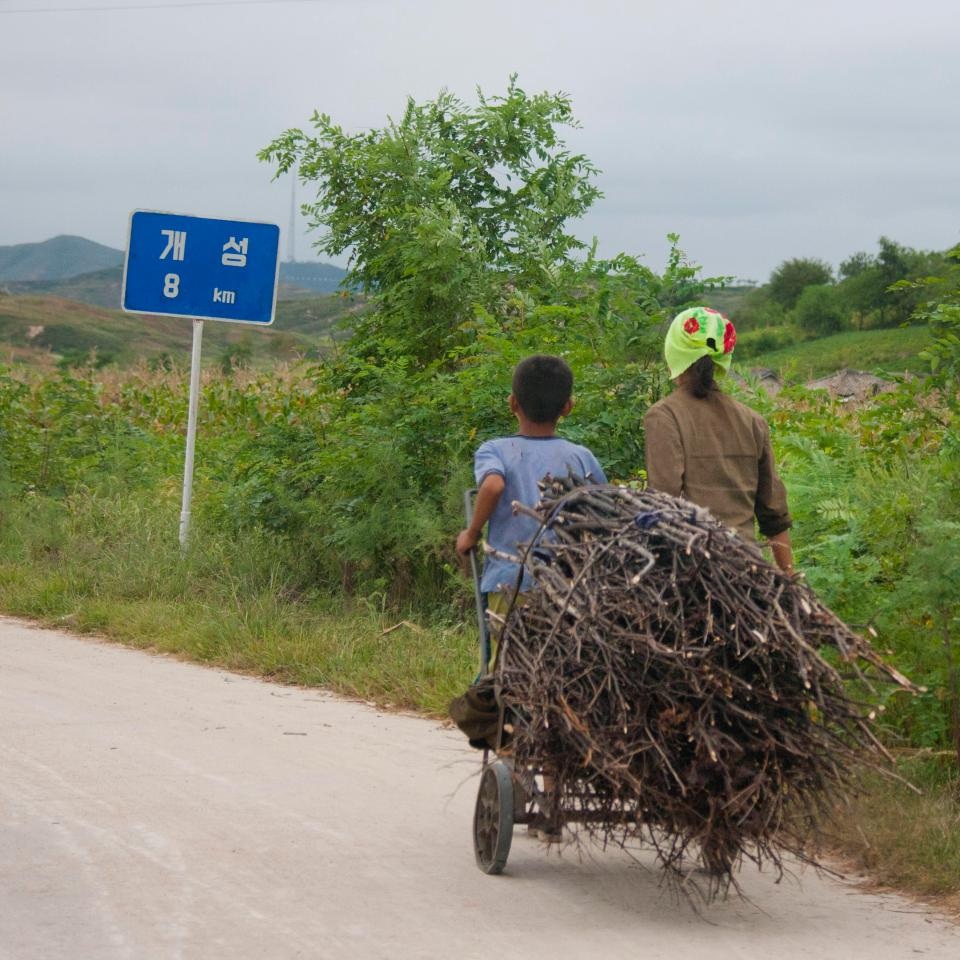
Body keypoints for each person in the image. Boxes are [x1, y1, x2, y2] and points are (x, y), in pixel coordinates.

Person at [454, 354, 606, 844]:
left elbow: (494, 484)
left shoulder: (496, 449)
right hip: (569, 593)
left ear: (512, 403)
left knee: (512, 684)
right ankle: (554, 800)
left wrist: (471, 532)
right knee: (559, 686)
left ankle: (515, 779)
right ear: (568, 406)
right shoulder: (581, 458)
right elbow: (602, 510)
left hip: (511, 586)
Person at [643, 307, 794, 573]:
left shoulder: (664, 416)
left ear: (672, 353)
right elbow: (774, 517)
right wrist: (791, 584)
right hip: (750, 571)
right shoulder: (751, 420)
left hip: (692, 570)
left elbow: (663, 502)